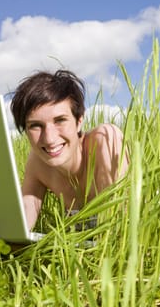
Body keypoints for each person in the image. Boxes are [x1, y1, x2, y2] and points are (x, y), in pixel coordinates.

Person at [10, 69, 130, 230]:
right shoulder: (37, 162)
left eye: (60, 120)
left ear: (79, 121)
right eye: (35, 126)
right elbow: (23, 222)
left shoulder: (106, 139)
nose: (49, 139)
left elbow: (120, 226)